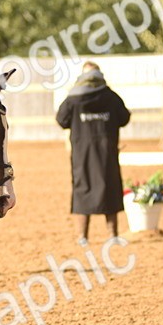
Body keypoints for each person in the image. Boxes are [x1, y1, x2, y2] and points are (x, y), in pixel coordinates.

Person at [55, 61, 131, 245]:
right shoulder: (111, 97)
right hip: (107, 152)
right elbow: (124, 118)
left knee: (83, 188)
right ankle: (112, 235)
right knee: (109, 187)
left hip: (82, 153)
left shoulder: (73, 98)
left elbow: (61, 119)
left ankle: (83, 237)